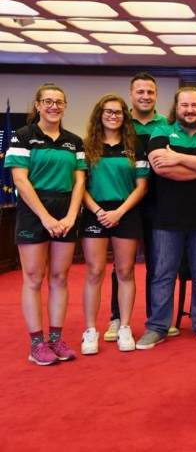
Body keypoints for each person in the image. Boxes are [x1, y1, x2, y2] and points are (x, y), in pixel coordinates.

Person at [135, 87, 196, 349]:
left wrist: (176, 157)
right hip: (167, 219)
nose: (189, 110)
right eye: (184, 105)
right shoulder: (161, 132)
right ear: (176, 108)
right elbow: (162, 169)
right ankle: (157, 327)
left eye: (194, 105)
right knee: (163, 275)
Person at [5, 83, 86, 365]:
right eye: (48, 101)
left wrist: (71, 216)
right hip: (33, 211)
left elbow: (79, 182)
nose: (54, 106)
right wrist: (45, 217)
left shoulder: (74, 141)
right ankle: (36, 344)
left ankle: (55, 339)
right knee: (33, 277)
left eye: (59, 102)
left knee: (60, 277)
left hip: (65, 210)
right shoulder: (22, 136)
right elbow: (20, 180)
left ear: (65, 106)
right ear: (38, 105)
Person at [79, 94, 149, 354]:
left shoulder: (135, 146)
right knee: (94, 271)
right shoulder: (86, 146)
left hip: (126, 211)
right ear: (99, 115)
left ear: (124, 116)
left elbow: (142, 186)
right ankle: (90, 330)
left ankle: (125, 327)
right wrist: (99, 211)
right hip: (95, 212)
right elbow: (80, 185)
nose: (113, 116)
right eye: (108, 111)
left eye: (118, 112)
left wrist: (119, 212)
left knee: (125, 271)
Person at [104, 72, 170, 343]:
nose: (145, 96)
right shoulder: (120, 123)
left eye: (150, 92)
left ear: (156, 96)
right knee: (122, 266)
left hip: (160, 203)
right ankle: (116, 318)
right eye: (140, 92)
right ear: (131, 95)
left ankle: (157, 320)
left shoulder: (166, 125)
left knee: (158, 265)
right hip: (125, 202)